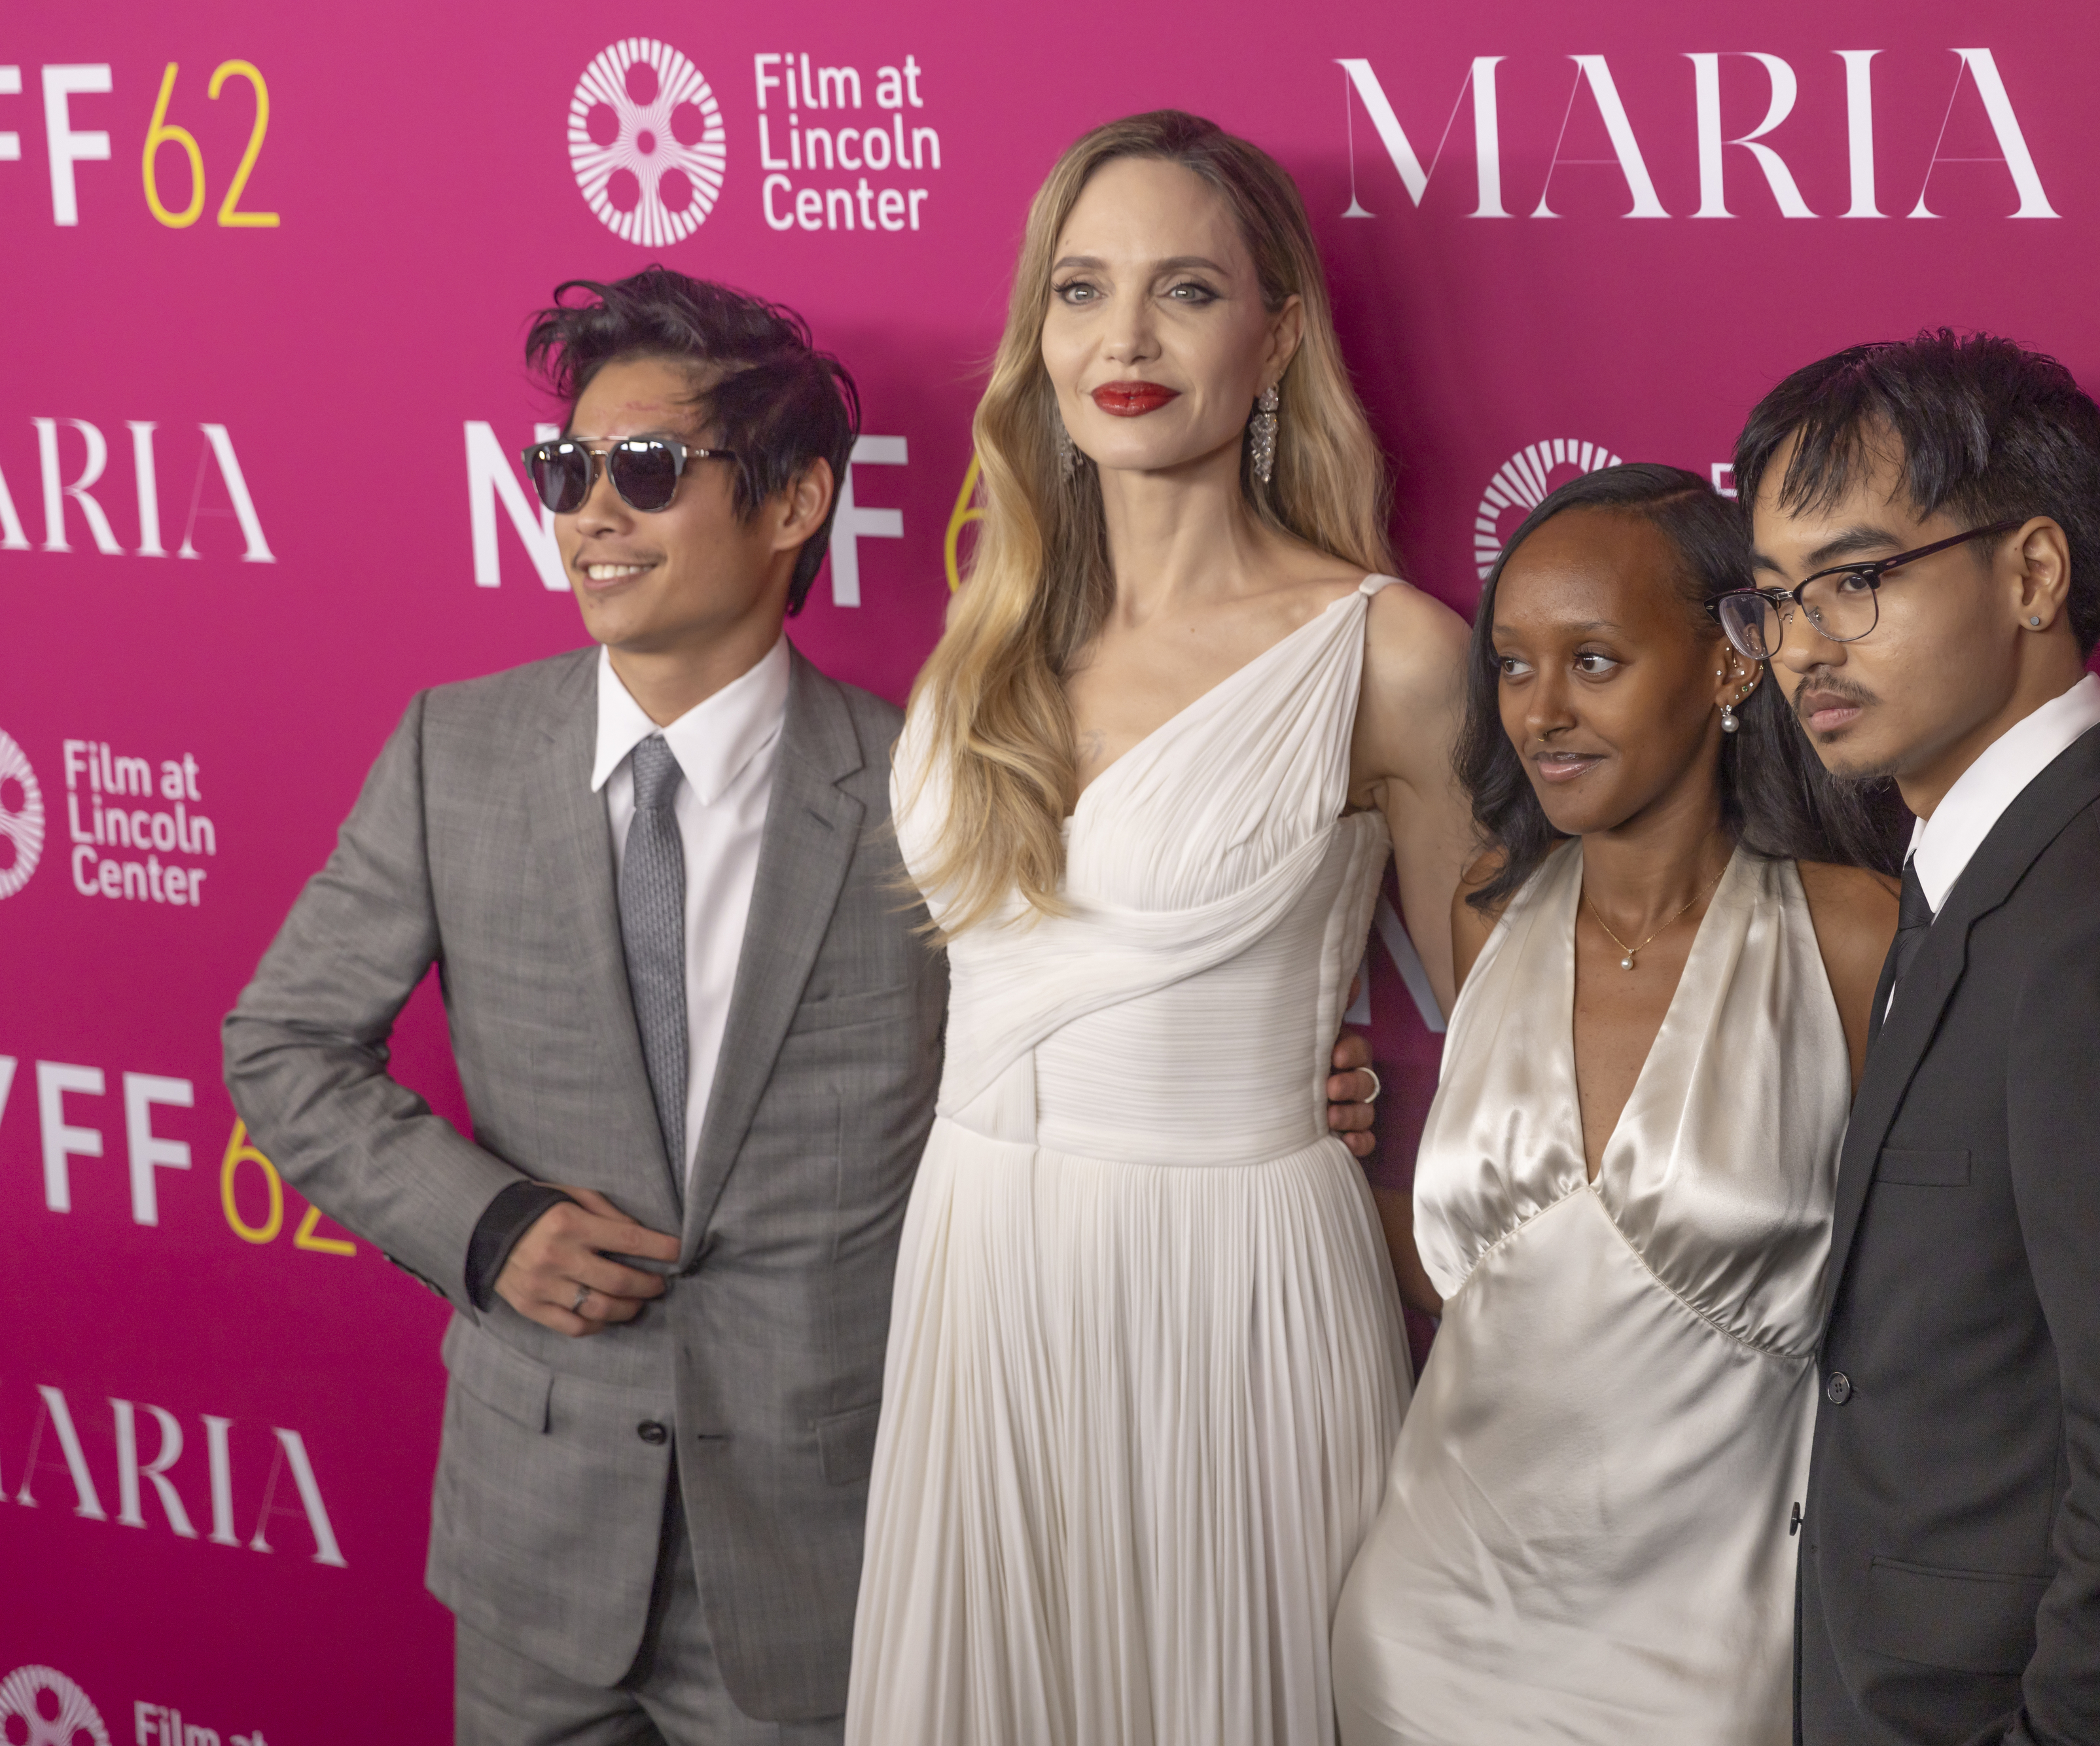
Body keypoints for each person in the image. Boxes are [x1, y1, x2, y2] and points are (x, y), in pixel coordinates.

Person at [219, 264, 1391, 1745]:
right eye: (564, 470)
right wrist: (484, 1222)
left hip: (826, 1545)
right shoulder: (457, 752)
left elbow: (1073, 1015)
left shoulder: (934, 780)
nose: (590, 513)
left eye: (644, 471)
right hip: (537, 1541)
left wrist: (1288, 1068)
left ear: (790, 506)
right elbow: (282, 1040)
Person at [844, 111, 1476, 1746]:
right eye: (1080, 290)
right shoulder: (981, 654)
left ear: (1273, 340)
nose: (1120, 340)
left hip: (1234, 1289)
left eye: (1184, 291)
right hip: (977, 1261)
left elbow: (1526, 1050)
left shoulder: (1388, 654)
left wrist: (1378, 1121)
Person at [1721, 332, 2100, 1745]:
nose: (1802, 646)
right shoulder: (1976, 863)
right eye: (1777, 598)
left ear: (2032, 572)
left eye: (1855, 582)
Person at [1328, 465, 1902, 1744]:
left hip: (1709, 1672)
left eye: (1592, 660)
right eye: (1514, 665)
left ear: (1729, 666)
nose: (1540, 711)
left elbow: (1930, 1315)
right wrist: (1295, 1153)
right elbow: (1504, 1286)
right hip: (1425, 1646)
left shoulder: (1851, 938)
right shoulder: (1487, 913)